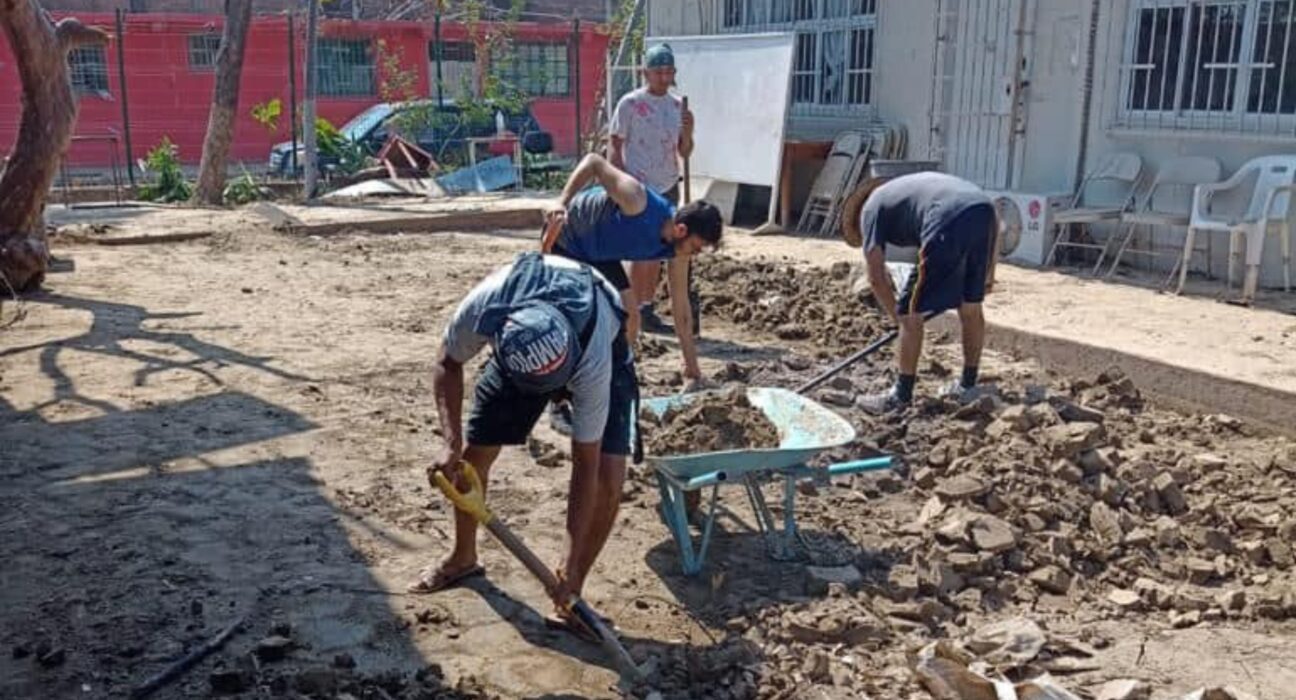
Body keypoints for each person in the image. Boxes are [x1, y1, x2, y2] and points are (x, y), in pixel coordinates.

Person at [413, 251, 636, 640]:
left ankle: (572, 594)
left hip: (595, 341)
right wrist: (450, 443)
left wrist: (565, 564)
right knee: (472, 458)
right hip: (527, 352)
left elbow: (586, 465)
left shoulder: (593, 357)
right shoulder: (492, 305)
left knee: (608, 476)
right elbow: (447, 362)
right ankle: (463, 557)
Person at [543, 152, 723, 384]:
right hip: (567, 239)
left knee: (630, 318)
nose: (694, 254)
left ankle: (612, 378)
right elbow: (593, 162)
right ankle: (564, 388)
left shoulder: (679, 250)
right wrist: (561, 202)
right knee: (579, 318)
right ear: (681, 230)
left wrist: (692, 366)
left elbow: (681, 309)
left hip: (600, 253)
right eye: (695, 248)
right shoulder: (636, 199)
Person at [841, 172, 1001, 413]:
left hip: (946, 216)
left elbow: (876, 276)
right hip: (983, 210)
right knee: (970, 306)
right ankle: (967, 386)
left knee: (909, 313)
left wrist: (898, 319)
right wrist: (989, 273)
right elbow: (991, 215)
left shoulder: (870, 212)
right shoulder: (905, 195)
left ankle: (900, 396)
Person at [608, 42, 695, 334]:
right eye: (658, 71)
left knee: (657, 251)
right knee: (639, 251)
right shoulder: (630, 104)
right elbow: (615, 144)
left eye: (668, 71)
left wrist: (689, 131)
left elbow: (685, 152)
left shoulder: (676, 107)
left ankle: (646, 308)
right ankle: (630, 309)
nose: (663, 76)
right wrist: (618, 182)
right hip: (638, 186)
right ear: (645, 72)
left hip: (668, 184)